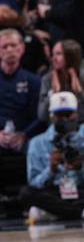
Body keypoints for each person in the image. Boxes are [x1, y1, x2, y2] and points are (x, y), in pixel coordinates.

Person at [22, 92, 84, 223]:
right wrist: (50, 170)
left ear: (76, 114)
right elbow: (33, 182)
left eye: (68, 114)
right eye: (59, 115)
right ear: (51, 116)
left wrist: (81, 168)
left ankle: (57, 213)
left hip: (83, 191)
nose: (64, 119)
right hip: (55, 193)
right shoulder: (37, 143)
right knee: (26, 193)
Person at [0, 29, 41, 194]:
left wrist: (24, 134)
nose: (9, 50)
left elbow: (39, 116)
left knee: (36, 146)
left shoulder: (33, 80)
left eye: (13, 45)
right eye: (4, 46)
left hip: (25, 135)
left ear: (22, 49)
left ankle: (33, 194)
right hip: (1, 134)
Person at [38, 40, 84, 125]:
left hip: (82, 127)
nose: (54, 58)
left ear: (71, 56)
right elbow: (41, 116)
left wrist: (80, 93)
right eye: (53, 54)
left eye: (59, 54)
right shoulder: (47, 79)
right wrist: (52, 94)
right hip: (55, 128)